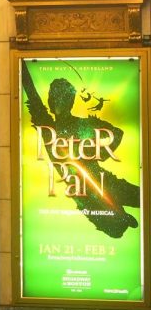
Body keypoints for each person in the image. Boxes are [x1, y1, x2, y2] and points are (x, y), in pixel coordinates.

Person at [22, 64, 139, 238]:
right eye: (55, 98)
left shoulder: (82, 124)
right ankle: (121, 217)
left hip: (103, 182)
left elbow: (118, 133)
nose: (58, 102)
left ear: (69, 101)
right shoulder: (49, 129)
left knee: (138, 200)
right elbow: (32, 94)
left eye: (63, 98)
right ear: (51, 102)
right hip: (84, 195)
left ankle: (121, 216)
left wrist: (102, 152)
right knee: (117, 230)